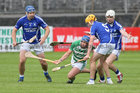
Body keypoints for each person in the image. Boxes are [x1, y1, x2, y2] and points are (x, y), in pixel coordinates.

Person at [12, 5, 52, 82]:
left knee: (43, 62)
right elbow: (14, 30)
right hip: (26, 43)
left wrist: (43, 38)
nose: (32, 14)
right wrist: (14, 41)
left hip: (37, 43)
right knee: (22, 61)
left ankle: (46, 73)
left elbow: (47, 29)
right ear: (26, 13)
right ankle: (21, 77)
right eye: (30, 13)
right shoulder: (22, 20)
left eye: (33, 13)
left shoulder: (38, 19)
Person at [96, 10, 132, 83]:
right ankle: (102, 80)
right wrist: (91, 34)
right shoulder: (105, 26)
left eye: (111, 17)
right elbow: (100, 34)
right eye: (107, 17)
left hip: (116, 48)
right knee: (98, 66)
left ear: (114, 17)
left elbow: (122, 31)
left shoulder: (117, 25)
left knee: (107, 63)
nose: (109, 19)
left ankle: (118, 74)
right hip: (107, 48)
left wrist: (127, 35)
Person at [83, 14, 116, 85]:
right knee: (103, 62)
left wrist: (88, 54)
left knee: (92, 60)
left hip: (105, 44)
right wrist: (91, 33)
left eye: (88, 23)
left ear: (91, 21)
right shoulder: (101, 24)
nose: (88, 25)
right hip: (112, 44)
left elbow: (91, 41)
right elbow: (102, 34)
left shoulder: (93, 26)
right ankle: (109, 80)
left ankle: (91, 80)